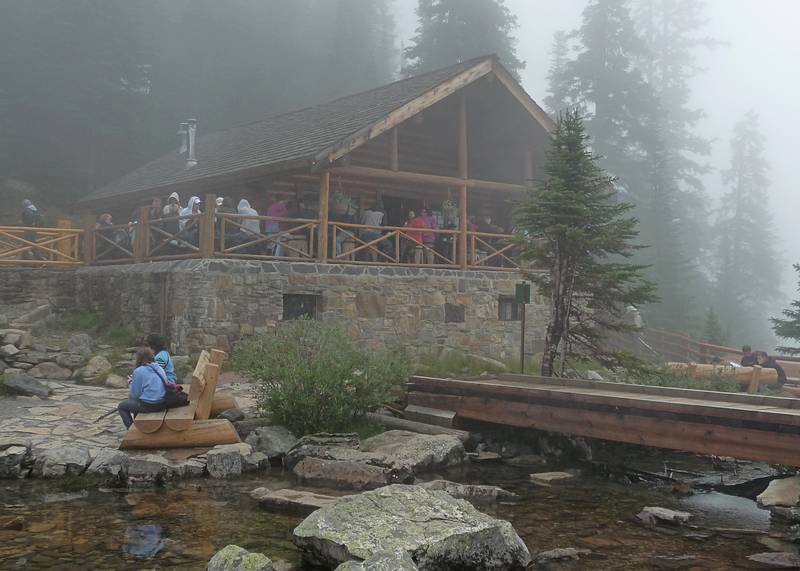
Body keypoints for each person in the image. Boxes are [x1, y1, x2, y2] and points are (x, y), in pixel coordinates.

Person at [117, 347, 168, 429]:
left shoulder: (139, 371)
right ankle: (139, 426)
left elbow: (135, 395)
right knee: (137, 403)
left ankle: (131, 430)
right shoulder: (159, 368)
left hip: (150, 405)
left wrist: (131, 383)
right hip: (163, 403)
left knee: (122, 406)